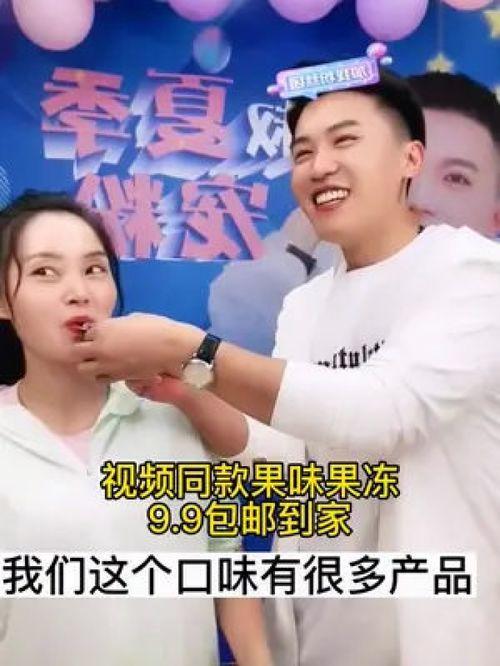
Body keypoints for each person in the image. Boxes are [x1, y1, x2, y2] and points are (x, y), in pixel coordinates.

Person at [74, 65, 500, 666]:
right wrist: (187, 391)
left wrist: (191, 350)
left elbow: (386, 412)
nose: (319, 165)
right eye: (302, 151)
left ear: (410, 158)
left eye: (345, 140)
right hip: (312, 638)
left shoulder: (472, 273)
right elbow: (290, 458)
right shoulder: (305, 304)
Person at [0, 191, 272, 666]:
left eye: (94, 269)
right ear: (4, 300)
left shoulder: (176, 413)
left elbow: (226, 563)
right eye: (45, 272)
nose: (79, 291)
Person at [208, 71, 500, 354]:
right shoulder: (319, 275)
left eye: (456, 178)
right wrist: (296, 244)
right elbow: (237, 334)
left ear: (496, 216)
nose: (419, 196)